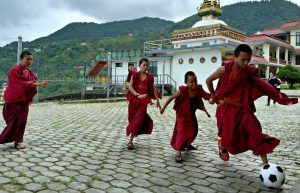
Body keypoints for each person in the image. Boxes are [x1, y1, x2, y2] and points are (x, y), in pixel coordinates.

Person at [206, 44, 298, 165]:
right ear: (235, 57)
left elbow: (262, 84)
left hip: (243, 110)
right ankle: (223, 144)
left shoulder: (248, 72)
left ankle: (265, 164)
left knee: (255, 133)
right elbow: (208, 80)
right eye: (242, 59)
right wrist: (214, 96)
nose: (245, 63)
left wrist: (276, 93)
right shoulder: (224, 69)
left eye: (248, 60)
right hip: (226, 109)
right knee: (230, 139)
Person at [0, 51, 48, 149]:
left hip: (23, 101)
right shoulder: (13, 71)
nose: (30, 61)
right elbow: (21, 84)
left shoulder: (30, 73)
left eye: (31, 59)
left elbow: (30, 87)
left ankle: (18, 141)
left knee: (22, 121)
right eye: (27, 59)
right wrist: (39, 84)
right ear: (21, 59)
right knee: (12, 122)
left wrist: (30, 99)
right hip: (12, 100)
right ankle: (4, 138)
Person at [160, 71, 211, 163]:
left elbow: (207, 96)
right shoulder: (183, 90)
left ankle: (187, 144)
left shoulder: (199, 89)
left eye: (195, 81)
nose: (194, 84)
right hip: (182, 115)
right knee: (182, 132)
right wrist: (163, 108)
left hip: (191, 115)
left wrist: (211, 99)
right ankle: (178, 153)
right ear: (186, 82)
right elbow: (171, 98)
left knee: (193, 132)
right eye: (191, 82)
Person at [125, 58, 161, 150]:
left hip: (143, 103)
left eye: (147, 65)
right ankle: (132, 134)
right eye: (144, 65)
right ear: (139, 65)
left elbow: (153, 89)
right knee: (132, 119)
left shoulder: (149, 77)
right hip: (134, 101)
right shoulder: (135, 74)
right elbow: (130, 86)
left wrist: (157, 100)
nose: (145, 67)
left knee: (137, 121)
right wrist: (137, 95)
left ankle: (130, 141)